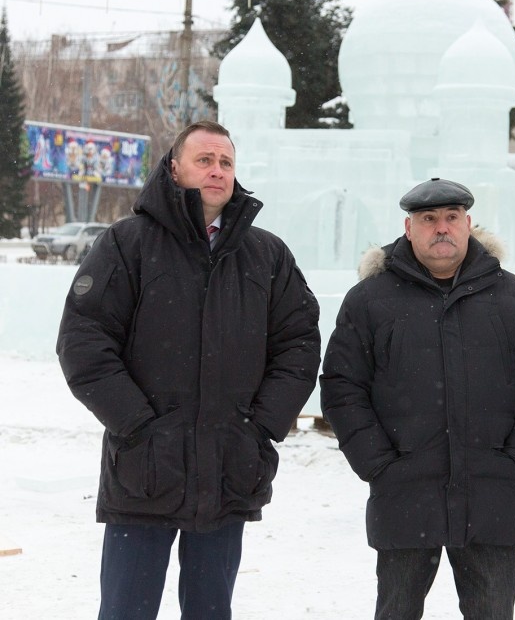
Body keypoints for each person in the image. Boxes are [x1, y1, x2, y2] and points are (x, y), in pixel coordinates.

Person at [56, 120, 321, 620]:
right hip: (144, 472)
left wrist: (259, 425)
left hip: (228, 469)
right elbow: (83, 341)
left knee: (210, 610)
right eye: (204, 160)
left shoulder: (265, 254)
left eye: (225, 162)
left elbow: (299, 343)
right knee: (126, 611)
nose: (217, 171)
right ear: (174, 169)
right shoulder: (126, 243)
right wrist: (138, 425)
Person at [321, 178, 515, 620]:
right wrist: (377, 462)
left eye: (452, 218)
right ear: (408, 227)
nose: (442, 228)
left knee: (492, 611)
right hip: (403, 492)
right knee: (397, 610)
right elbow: (342, 386)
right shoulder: (370, 301)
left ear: (468, 225)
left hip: (492, 494)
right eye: (428, 219)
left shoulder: (512, 297)